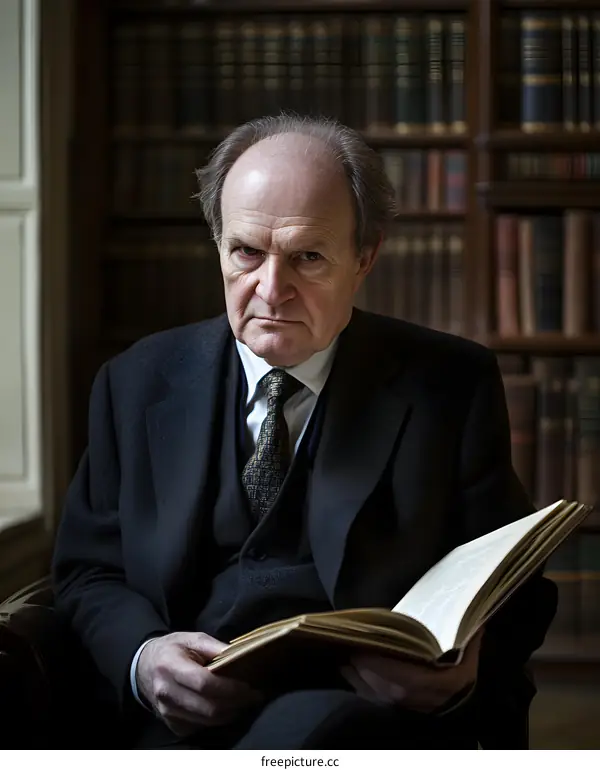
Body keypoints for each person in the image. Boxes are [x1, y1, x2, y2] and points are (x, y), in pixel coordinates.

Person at [51, 114, 556, 750]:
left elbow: (514, 586)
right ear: (218, 245)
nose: (271, 289)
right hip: (178, 723)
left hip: (359, 721)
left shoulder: (450, 384)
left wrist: (459, 679)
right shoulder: (133, 382)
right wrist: (144, 658)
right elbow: (86, 573)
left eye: (308, 257)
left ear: (363, 258)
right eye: (246, 253)